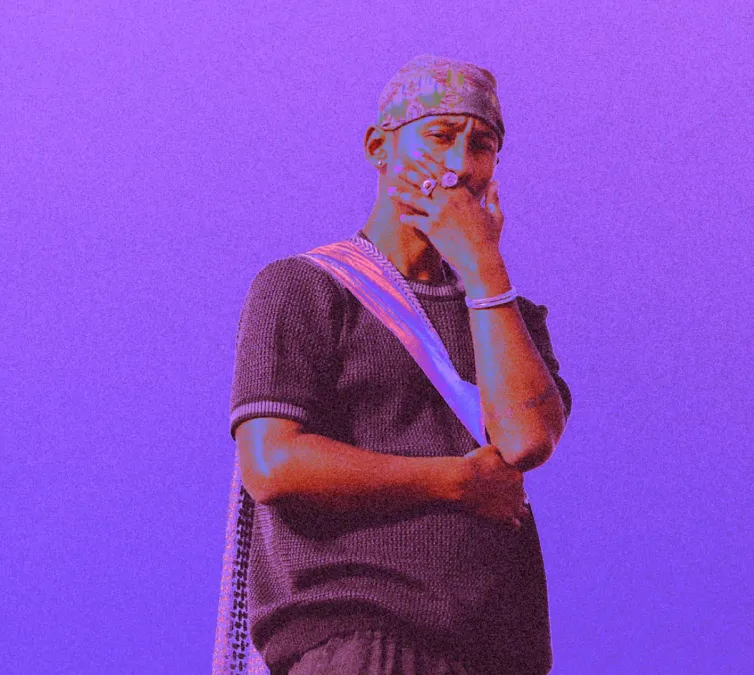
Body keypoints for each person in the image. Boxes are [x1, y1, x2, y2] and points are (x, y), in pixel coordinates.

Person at [215, 54, 573, 675]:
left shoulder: (510, 316)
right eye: (439, 135)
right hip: (365, 640)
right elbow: (272, 463)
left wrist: (485, 266)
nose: (459, 165)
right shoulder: (307, 286)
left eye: (482, 146)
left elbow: (526, 440)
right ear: (378, 147)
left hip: (496, 655)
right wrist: (454, 481)